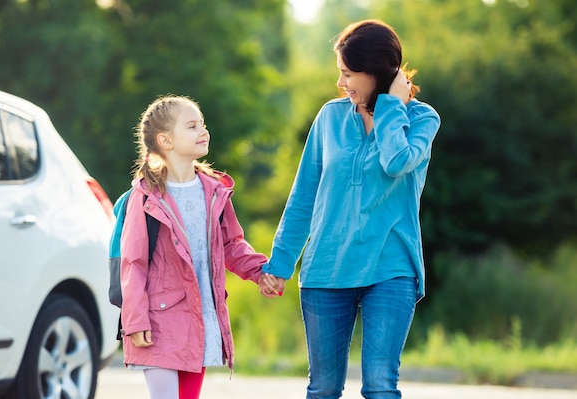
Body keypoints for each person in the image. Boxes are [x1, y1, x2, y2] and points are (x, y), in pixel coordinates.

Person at [259, 19, 441, 399]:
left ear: (376, 72)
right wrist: (280, 263)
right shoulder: (330, 117)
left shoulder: (421, 119)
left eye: (348, 73)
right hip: (327, 268)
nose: (340, 83)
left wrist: (391, 104)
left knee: (379, 386)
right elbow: (304, 196)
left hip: (390, 268)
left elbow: (396, 161)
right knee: (323, 388)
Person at [119, 94, 269, 399]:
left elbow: (231, 244)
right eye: (191, 126)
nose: (203, 131)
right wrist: (134, 320)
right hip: (157, 321)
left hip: (199, 319)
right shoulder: (146, 195)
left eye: (202, 124)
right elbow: (133, 262)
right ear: (165, 140)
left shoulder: (214, 190)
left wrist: (261, 271)